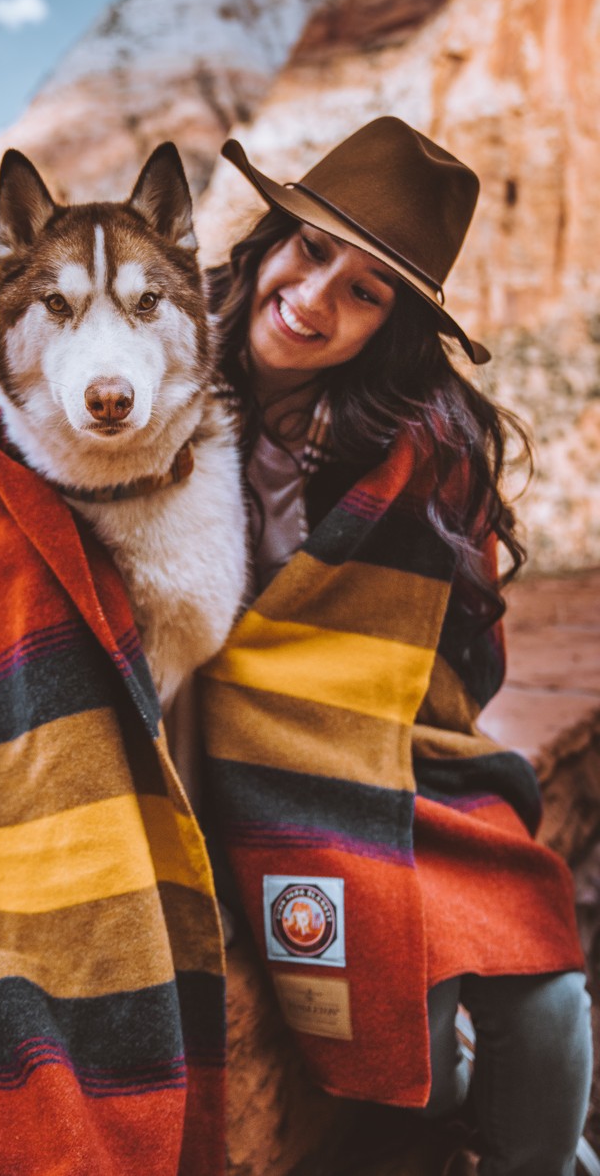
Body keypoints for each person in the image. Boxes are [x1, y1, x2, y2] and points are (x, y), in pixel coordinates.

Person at [199, 117, 592, 1176]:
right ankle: (468, 1109)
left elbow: (468, 653)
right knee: (408, 1034)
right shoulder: (150, 379)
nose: (316, 295)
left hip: (397, 747)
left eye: (367, 288)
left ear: (393, 324)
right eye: (311, 247)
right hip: (225, 769)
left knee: (552, 1000)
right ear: (270, 236)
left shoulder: (419, 447)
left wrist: (366, 698)